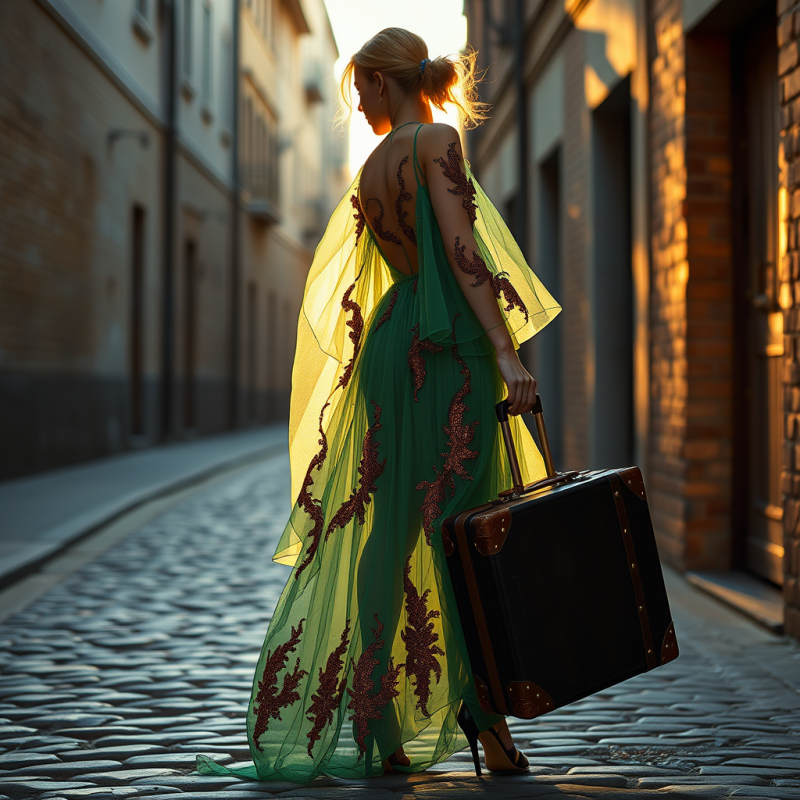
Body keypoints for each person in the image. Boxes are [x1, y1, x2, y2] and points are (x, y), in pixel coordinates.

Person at [197, 27, 560, 784]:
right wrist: (503, 348)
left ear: (387, 81)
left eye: (361, 87)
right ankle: (486, 727)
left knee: (387, 533)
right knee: (462, 535)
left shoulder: (374, 166)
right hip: (453, 350)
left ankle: (379, 724)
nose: (356, 104)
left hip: (395, 347)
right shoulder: (437, 141)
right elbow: (464, 252)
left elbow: (406, 263)